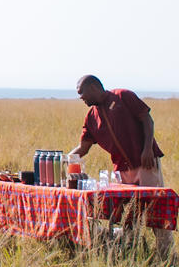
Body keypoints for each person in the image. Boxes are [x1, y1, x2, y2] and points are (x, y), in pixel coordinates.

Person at [66, 74, 172, 255]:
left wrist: (148, 149)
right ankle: (133, 251)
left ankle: (166, 253)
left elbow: (147, 119)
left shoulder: (122, 96)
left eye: (82, 93)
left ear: (93, 87)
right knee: (128, 214)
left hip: (145, 163)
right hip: (122, 171)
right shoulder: (91, 117)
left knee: (155, 209)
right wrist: (65, 159)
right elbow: (84, 147)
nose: (81, 98)